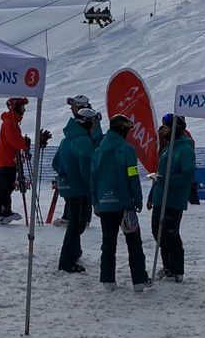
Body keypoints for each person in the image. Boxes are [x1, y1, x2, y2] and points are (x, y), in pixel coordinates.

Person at [94, 114, 150, 290]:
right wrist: (138, 198)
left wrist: (96, 202)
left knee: (108, 243)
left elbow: (93, 178)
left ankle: (108, 280)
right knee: (134, 243)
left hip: (104, 204)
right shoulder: (127, 150)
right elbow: (132, 176)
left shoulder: (98, 151)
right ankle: (139, 281)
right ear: (122, 130)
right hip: (125, 204)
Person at [52, 97, 100, 273]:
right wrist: (93, 190)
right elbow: (87, 168)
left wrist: (65, 175)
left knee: (75, 222)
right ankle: (66, 261)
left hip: (67, 187)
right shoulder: (84, 141)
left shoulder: (66, 140)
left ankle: (74, 253)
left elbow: (55, 163)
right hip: (80, 188)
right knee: (76, 224)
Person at [149, 117, 196, 281]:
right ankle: (167, 266)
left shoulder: (184, 149)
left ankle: (176, 271)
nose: (161, 131)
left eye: (165, 128)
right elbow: (160, 173)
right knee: (158, 232)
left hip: (173, 200)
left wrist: (168, 180)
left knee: (171, 233)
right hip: (160, 198)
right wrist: (151, 195)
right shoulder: (167, 148)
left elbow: (187, 175)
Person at [0, 97, 29, 223]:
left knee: (6, 187)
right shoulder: (9, 122)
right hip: (7, 160)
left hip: (6, 160)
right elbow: (14, 140)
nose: (24, 110)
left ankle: (5, 211)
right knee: (6, 188)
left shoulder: (11, 122)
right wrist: (24, 144)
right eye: (22, 107)